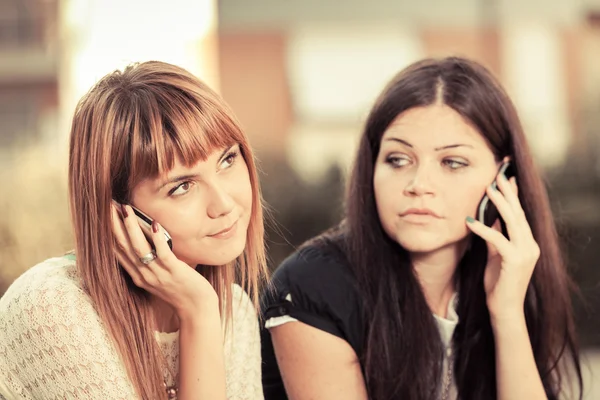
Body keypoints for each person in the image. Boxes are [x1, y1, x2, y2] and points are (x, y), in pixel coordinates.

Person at [261, 57, 583, 400]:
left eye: (452, 163)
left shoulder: (502, 282)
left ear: (503, 179)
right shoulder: (313, 285)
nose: (419, 184)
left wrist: (506, 313)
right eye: (398, 160)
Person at [0, 61, 267, 400]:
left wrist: (202, 310)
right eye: (182, 186)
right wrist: (198, 312)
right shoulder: (54, 309)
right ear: (117, 212)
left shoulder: (234, 311)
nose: (224, 204)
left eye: (227, 160)